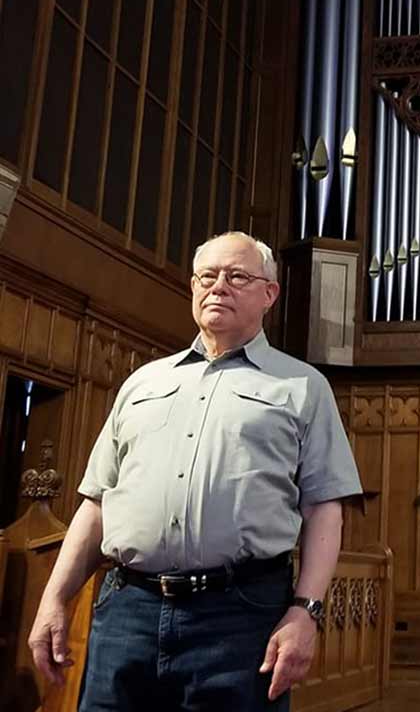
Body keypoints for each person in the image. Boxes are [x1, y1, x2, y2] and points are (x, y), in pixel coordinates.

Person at [27, 231, 361, 710]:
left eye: (237, 276)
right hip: (128, 610)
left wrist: (305, 612)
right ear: (192, 288)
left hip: (240, 615)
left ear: (270, 294)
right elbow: (98, 501)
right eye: (208, 276)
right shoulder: (143, 382)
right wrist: (55, 597)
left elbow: (324, 508)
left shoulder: (303, 387)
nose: (218, 286)